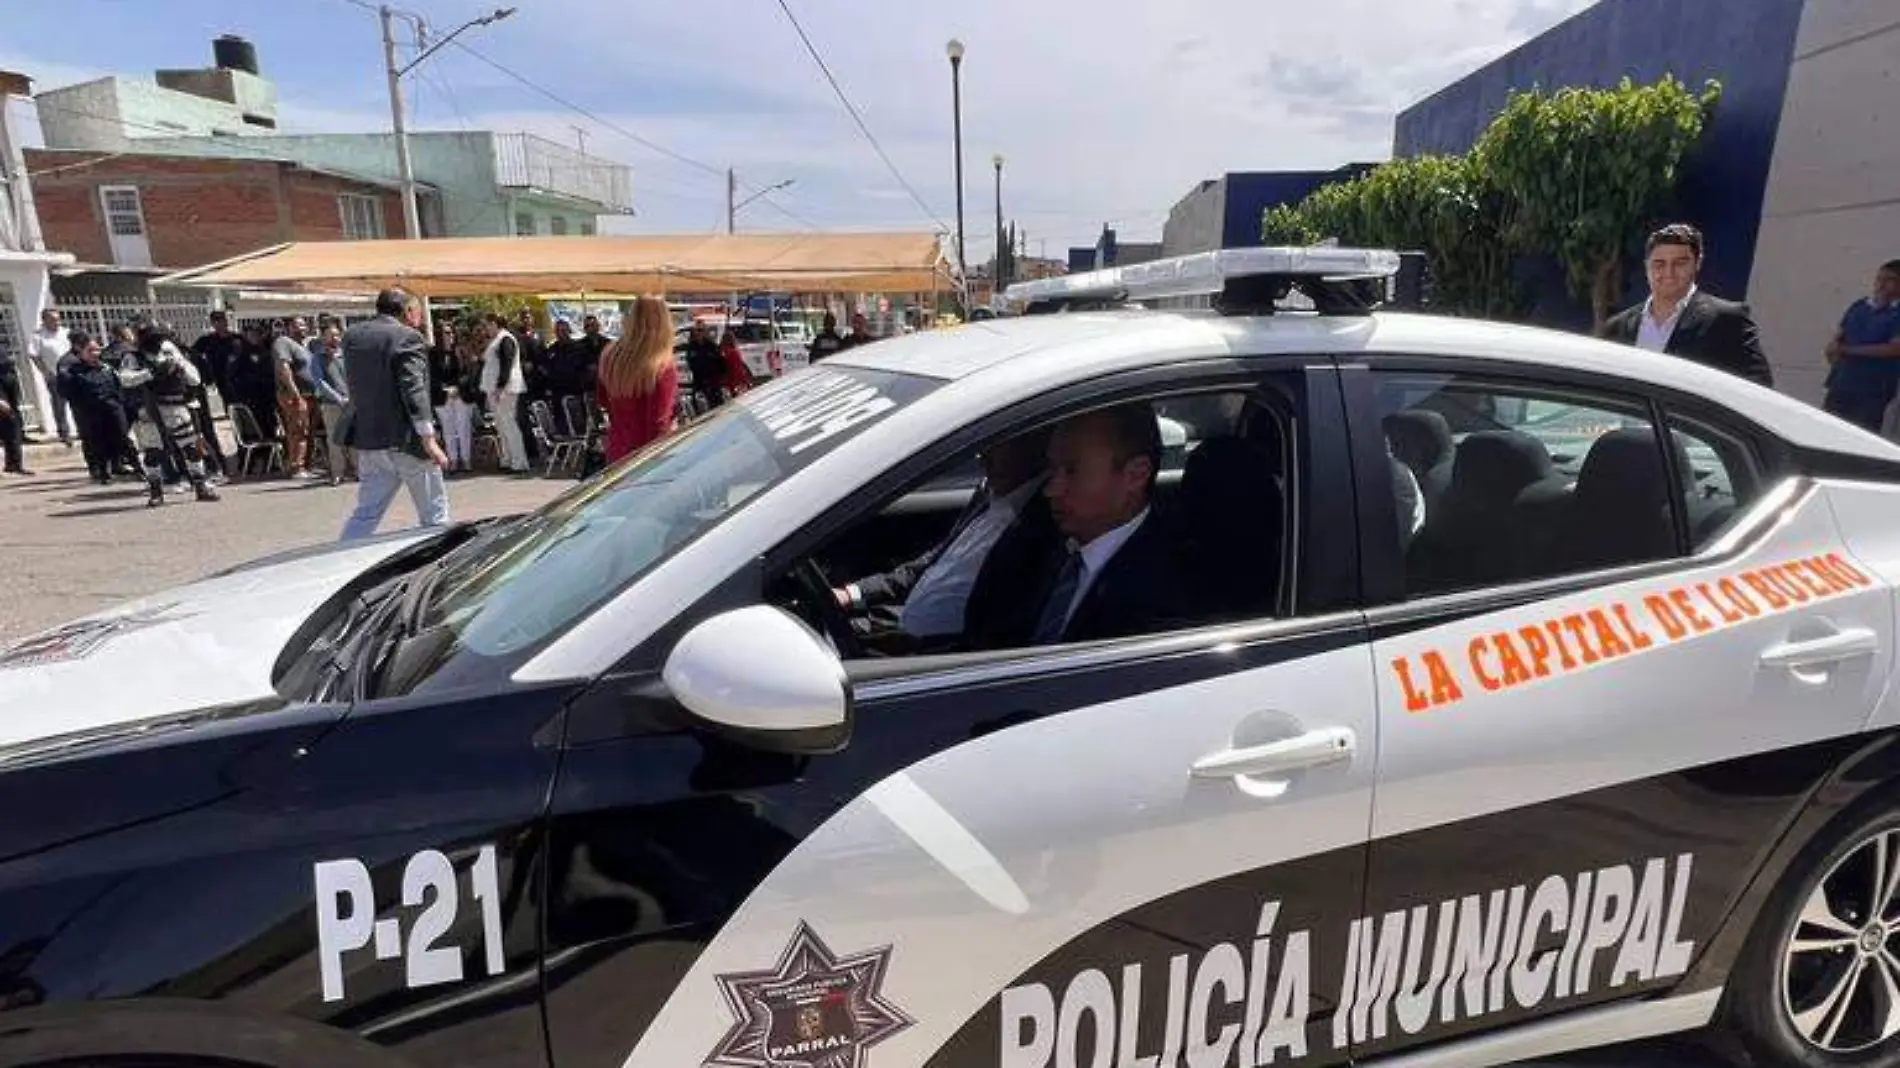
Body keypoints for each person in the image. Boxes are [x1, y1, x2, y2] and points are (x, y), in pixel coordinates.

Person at [832, 429, 1057, 646]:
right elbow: (934, 562)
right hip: (897, 625)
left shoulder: (1045, 521)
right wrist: (854, 593)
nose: (982, 457)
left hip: (940, 656)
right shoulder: (989, 491)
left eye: (997, 445)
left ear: (1036, 442)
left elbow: (1002, 626)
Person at [1013, 404, 1186, 647]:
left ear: (1136, 475)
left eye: (1072, 471)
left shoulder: (1163, 592)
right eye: (1052, 469)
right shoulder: (1044, 546)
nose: (1051, 489)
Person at [337, 289, 450, 540]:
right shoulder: (407, 337)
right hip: (406, 440)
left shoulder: (353, 336)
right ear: (408, 312)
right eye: (418, 311)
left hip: (369, 439)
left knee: (366, 514)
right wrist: (428, 439)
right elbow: (414, 389)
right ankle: (439, 567)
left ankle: (342, 558)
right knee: (434, 514)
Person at [1601, 223, 1773, 387]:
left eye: (1680, 263)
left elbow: (1758, 386)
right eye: (1659, 264)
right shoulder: (1616, 327)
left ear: (1697, 264)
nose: (1669, 273)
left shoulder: (1727, 320)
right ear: (1647, 266)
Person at [119, 323, 220, 507]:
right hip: (149, 411)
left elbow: (195, 377)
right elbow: (125, 379)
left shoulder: (170, 351)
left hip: (176, 407)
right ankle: (156, 491)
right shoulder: (133, 357)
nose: (158, 341)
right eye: (154, 337)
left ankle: (201, 485)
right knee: (153, 453)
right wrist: (150, 373)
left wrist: (178, 367)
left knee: (191, 448)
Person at [595, 295, 678, 465]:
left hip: (618, 450)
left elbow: (602, 399)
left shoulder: (610, 355)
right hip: (650, 458)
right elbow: (659, 423)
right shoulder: (661, 364)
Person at [1821, 260, 1900, 434]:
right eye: (1880, 278)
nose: (1882, 284)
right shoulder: (1860, 306)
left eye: (1890, 280)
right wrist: (1832, 349)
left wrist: (1849, 351)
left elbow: (1894, 348)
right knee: (1827, 431)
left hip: (1872, 390)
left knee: (1860, 435)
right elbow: (1839, 335)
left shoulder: (1896, 313)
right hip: (1841, 383)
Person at [56, 330, 129, 484]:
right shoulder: (68, 363)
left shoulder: (103, 365)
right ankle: (98, 470)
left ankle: (117, 464)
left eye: (97, 349)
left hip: (109, 406)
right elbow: (66, 390)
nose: (96, 352)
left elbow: (115, 384)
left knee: (117, 435)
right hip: (86, 410)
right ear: (79, 348)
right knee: (93, 440)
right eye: (91, 349)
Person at [479, 312, 531, 473]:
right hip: (495, 388)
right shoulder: (496, 340)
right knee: (501, 426)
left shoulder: (506, 339)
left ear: (495, 323)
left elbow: (506, 365)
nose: (486, 328)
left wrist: (500, 386)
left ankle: (519, 461)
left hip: (506, 389)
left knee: (509, 424)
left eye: (487, 324)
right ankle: (507, 458)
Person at [273, 317, 320, 480]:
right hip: (294, 395)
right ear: (288, 328)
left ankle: (307, 465)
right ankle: (296, 467)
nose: (302, 327)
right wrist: (295, 394)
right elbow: (283, 368)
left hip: (311, 395)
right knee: (298, 431)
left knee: (308, 431)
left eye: (304, 324)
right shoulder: (283, 342)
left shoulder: (305, 346)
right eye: (297, 325)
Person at [309, 324, 353, 485]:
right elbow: (320, 382)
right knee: (334, 439)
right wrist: (338, 399)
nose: (334, 338)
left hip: (351, 402)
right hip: (331, 404)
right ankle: (337, 472)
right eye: (330, 335)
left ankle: (357, 470)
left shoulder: (346, 355)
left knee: (354, 437)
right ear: (323, 338)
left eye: (336, 335)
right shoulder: (317, 358)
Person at [429, 321, 474, 473]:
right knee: (448, 429)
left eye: (452, 332)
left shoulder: (461, 351)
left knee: (463, 427)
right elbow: (431, 376)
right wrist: (445, 390)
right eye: (447, 333)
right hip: (442, 396)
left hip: (461, 394)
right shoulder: (432, 354)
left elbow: (468, 373)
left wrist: (458, 388)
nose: (451, 336)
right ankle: (453, 460)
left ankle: (466, 459)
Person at [26, 308, 73, 447]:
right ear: (45, 320)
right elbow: (34, 355)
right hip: (55, 375)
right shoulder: (38, 336)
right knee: (59, 405)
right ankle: (64, 432)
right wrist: (45, 372)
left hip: (73, 373)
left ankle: (84, 429)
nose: (57, 322)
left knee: (79, 403)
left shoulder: (66, 332)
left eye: (58, 319)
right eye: (53, 319)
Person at [544, 318, 593, 434]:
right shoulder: (551, 350)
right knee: (562, 426)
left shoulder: (580, 348)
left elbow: (589, 368)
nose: (561, 334)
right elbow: (545, 369)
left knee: (579, 424)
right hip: (557, 394)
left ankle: (584, 447)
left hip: (575, 392)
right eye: (558, 331)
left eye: (563, 331)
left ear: (568, 331)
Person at [189, 311, 242, 418]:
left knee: (242, 405)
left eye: (221, 320)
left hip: (240, 379)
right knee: (230, 406)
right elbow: (192, 353)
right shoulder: (208, 340)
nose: (219, 324)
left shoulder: (237, 339)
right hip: (221, 379)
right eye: (215, 321)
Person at [0, 326, 26, 475]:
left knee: (13, 422)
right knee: (8, 421)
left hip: (9, 381)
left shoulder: (3, 336)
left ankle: (14, 464)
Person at [682, 322, 725, 411]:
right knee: (699, 407)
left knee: (717, 406)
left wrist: (720, 377)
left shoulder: (711, 346)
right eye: (697, 330)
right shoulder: (692, 346)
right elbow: (690, 362)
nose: (698, 333)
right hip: (699, 382)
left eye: (701, 330)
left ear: (705, 331)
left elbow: (720, 362)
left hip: (712, 382)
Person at [719, 328, 755, 398]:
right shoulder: (733, 352)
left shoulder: (722, 351)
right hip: (734, 381)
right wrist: (745, 381)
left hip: (726, 381)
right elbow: (738, 367)